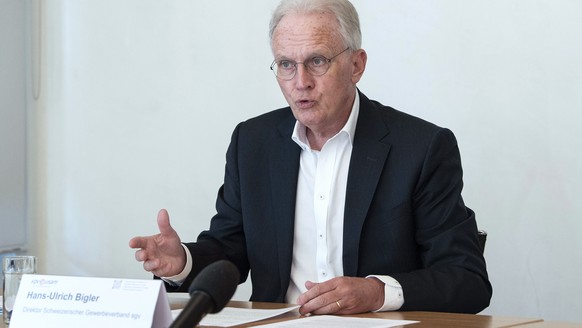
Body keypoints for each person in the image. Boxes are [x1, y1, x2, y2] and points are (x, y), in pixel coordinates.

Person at [129, 0, 492, 315]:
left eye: (317, 61)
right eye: (286, 64)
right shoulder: (252, 143)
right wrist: (182, 264)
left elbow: (467, 278)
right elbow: (230, 249)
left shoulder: (421, 147)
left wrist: (377, 292)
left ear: (356, 65)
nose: (300, 81)